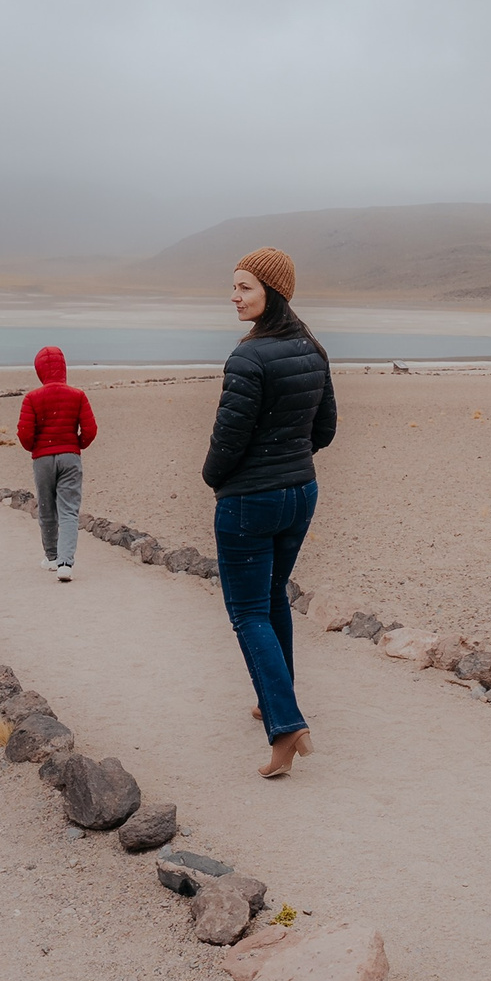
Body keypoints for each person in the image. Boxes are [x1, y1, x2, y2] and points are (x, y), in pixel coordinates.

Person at [201, 246, 336, 779]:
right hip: (301, 493)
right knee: (273, 594)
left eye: (245, 287)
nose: (234, 297)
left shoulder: (248, 357)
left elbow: (227, 440)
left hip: (249, 502)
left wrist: (215, 478)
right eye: (233, 287)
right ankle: (274, 696)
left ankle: (285, 727)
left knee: (248, 612)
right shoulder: (312, 347)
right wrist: (288, 458)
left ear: (272, 292)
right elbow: (324, 430)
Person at [18, 344, 97, 581]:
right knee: (69, 510)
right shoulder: (78, 395)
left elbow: (25, 433)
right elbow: (91, 429)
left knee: (46, 508)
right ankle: (65, 563)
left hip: (42, 459)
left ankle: (51, 557)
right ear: (63, 368)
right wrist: (77, 444)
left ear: (39, 370)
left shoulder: (32, 398)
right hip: (70, 457)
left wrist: (36, 448)